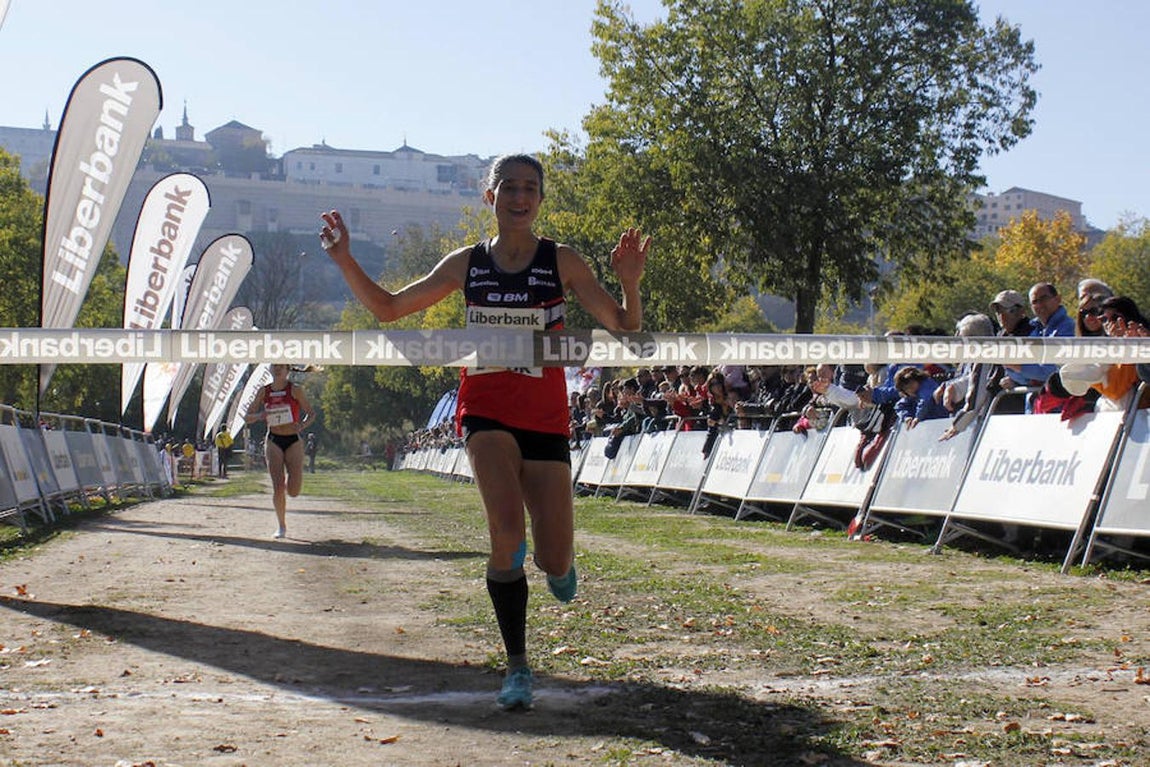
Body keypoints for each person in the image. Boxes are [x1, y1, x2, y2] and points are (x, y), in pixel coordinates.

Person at [321, 153, 650, 711]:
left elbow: (626, 328)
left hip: (545, 417)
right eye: (509, 188)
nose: (520, 197)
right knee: (505, 534)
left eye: (530, 188)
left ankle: (561, 567)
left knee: (554, 556)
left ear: (540, 199)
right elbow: (389, 308)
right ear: (489, 197)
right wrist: (345, 259)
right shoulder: (467, 264)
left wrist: (630, 283)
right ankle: (517, 667)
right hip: (486, 412)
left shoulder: (561, 261)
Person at [242, 363, 316, 539]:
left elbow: (311, 413)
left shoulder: (295, 390)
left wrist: (302, 425)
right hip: (273, 439)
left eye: (281, 366)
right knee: (278, 487)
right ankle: (281, 526)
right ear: (270, 369)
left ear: (287, 370)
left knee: (293, 491)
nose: (277, 369)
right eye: (275, 366)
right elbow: (247, 417)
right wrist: (260, 416)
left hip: (293, 440)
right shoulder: (264, 391)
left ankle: (293, 478)